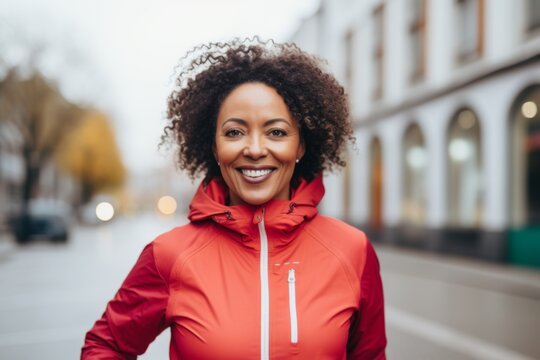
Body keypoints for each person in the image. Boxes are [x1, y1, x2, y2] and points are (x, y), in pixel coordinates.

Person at [81, 38, 386, 359]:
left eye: (277, 132)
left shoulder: (353, 251)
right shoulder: (169, 256)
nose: (254, 149)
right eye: (234, 132)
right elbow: (107, 346)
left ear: (301, 146)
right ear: (214, 148)